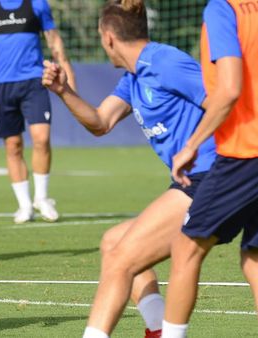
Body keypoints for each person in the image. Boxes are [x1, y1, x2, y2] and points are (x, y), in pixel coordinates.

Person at [42, 1, 217, 337]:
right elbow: (99, 122)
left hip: (209, 178)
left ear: (109, 38)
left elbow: (221, 98)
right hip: (189, 182)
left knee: (122, 257)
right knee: (114, 242)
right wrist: (63, 90)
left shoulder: (164, 61)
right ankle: (157, 330)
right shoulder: (134, 79)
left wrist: (195, 147)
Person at [162, 0, 258, 337]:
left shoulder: (224, 9)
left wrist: (191, 145)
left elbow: (230, 89)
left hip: (249, 148)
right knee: (257, 257)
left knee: (186, 246)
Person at [0, 0, 76, 224]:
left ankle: (42, 198)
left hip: (34, 82)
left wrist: (65, 69)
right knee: (13, 145)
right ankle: (25, 205)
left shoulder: (37, 3)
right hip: (1, 86)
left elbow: (53, 39)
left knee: (42, 139)